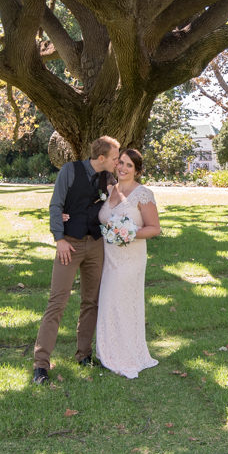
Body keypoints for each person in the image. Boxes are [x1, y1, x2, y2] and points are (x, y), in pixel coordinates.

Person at [32, 135, 120, 385]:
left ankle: (84, 355)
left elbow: (117, 204)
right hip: (68, 245)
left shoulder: (108, 178)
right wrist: (59, 238)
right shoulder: (69, 171)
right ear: (101, 157)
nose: (118, 161)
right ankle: (41, 364)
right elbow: (55, 204)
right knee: (57, 302)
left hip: (96, 245)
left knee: (91, 302)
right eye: (115, 157)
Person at [94, 147, 162, 379]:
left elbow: (154, 228)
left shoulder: (142, 194)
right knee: (109, 301)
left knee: (122, 301)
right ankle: (107, 351)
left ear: (137, 170)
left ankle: (127, 353)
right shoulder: (109, 190)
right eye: (120, 163)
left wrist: (128, 233)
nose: (122, 168)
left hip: (131, 258)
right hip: (108, 257)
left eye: (128, 165)